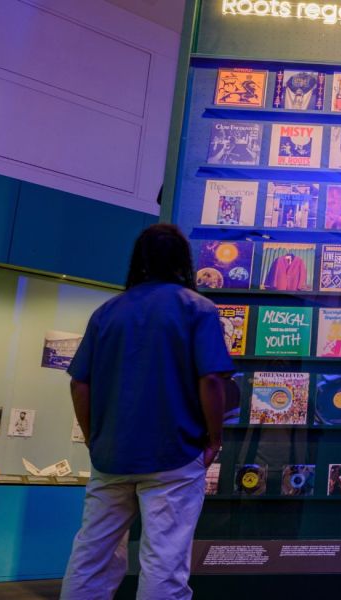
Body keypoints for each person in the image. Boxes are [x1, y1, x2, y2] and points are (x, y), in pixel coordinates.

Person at [61, 224, 235, 600]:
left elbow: (79, 383)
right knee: (164, 563)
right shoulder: (198, 308)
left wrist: (95, 438)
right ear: (183, 260)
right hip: (174, 455)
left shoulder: (107, 312)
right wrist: (214, 437)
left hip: (110, 458)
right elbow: (211, 381)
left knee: (91, 557)